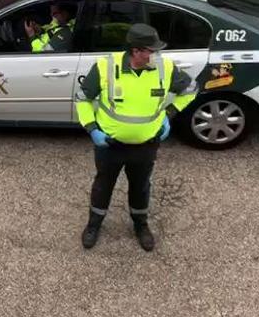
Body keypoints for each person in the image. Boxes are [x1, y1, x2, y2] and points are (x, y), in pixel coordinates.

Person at [74, 23, 198, 251]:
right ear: (136, 50)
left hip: (146, 145)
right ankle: (93, 225)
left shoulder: (165, 68)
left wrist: (169, 115)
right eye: (151, 50)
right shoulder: (106, 67)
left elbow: (191, 89)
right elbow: (82, 98)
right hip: (110, 145)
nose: (155, 55)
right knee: (103, 186)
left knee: (141, 187)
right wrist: (92, 129)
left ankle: (141, 225)